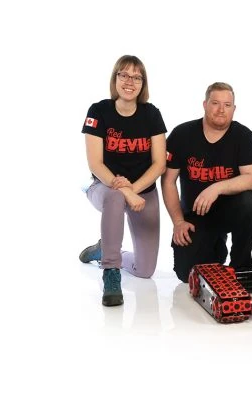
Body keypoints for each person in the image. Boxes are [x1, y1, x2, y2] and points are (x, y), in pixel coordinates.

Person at [78, 55, 167, 306]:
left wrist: (134, 190)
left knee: (145, 270)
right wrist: (126, 192)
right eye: (124, 75)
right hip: (105, 187)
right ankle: (111, 271)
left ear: (143, 83)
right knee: (116, 196)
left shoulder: (151, 114)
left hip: (143, 192)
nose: (130, 81)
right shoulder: (98, 111)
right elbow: (95, 164)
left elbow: (159, 163)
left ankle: (104, 249)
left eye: (137, 77)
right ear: (115, 78)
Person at [161, 82, 252, 283]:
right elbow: (168, 182)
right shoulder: (182, 134)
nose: (221, 109)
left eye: (227, 105)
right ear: (205, 104)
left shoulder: (243, 135)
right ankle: (216, 247)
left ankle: (241, 266)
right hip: (196, 215)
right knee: (187, 274)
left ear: (234, 108)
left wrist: (216, 188)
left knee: (250, 201)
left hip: (229, 210)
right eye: (215, 103)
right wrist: (178, 222)